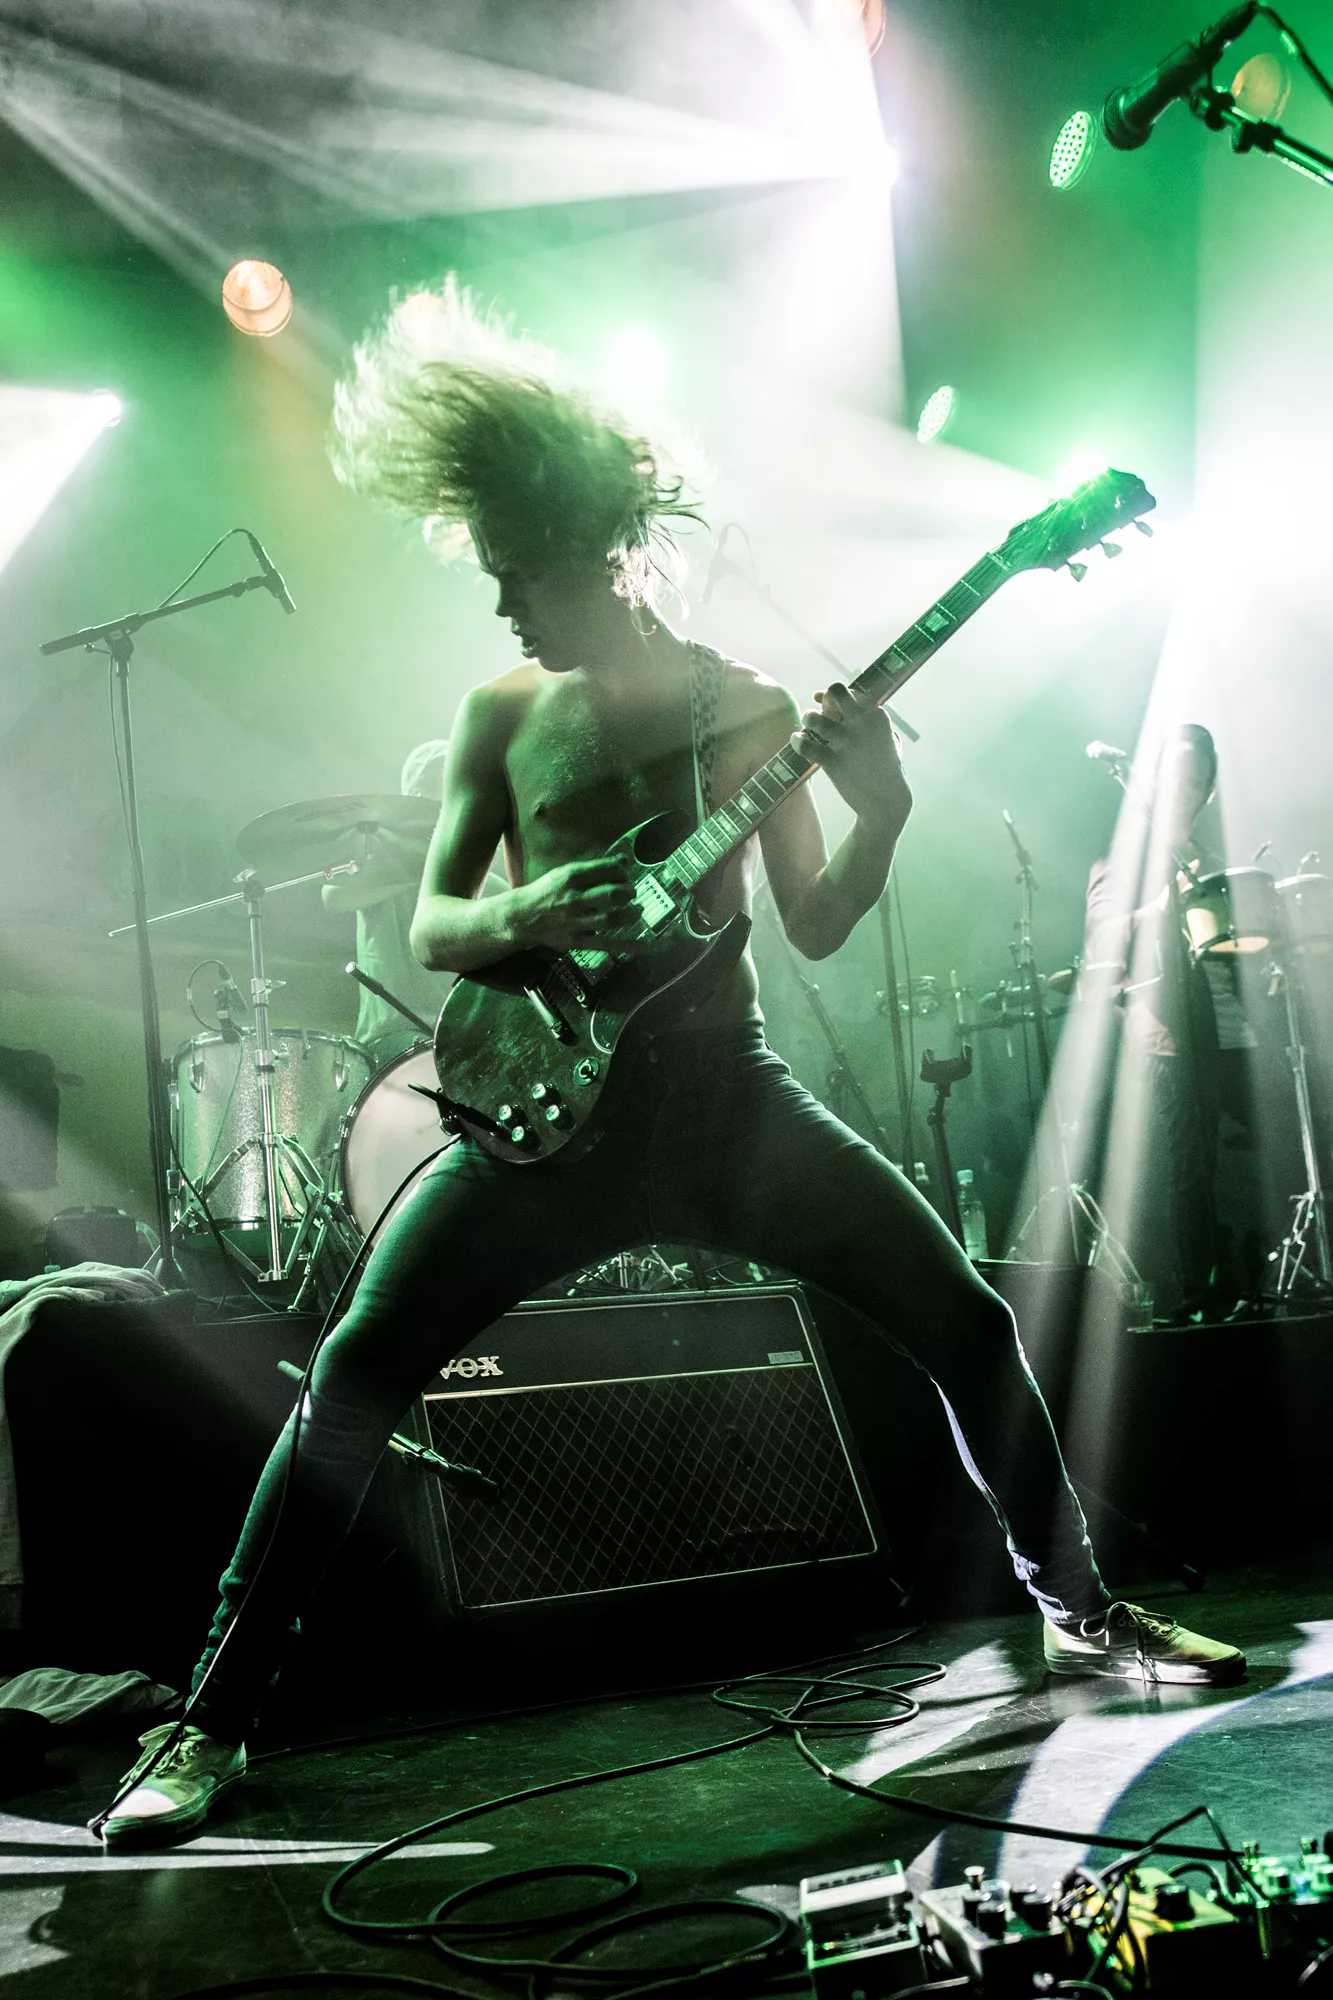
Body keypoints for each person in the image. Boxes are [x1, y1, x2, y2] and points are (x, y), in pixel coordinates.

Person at [97, 281, 1242, 1850]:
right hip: (540, 1129)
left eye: (520, 567)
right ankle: (208, 1724)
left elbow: (817, 924)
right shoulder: (500, 713)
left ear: (592, 547)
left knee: (966, 1322)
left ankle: (1080, 1615)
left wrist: (885, 810)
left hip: (730, 1106)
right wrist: (527, 909)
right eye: (491, 566)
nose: (503, 598)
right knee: (355, 1375)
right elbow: (434, 925)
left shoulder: (745, 707)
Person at [1084, 725, 1256, 1317]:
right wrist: (1159, 907)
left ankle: (1256, 1268)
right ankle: (1197, 1296)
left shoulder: (1209, 864)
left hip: (1233, 1031)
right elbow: (1103, 939)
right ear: (1153, 779)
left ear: (1209, 790)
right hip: (1170, 1037)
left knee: (1287, 1136)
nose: (1185, 788)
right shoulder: (1124, 862)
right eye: (1176, 775)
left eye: (1196, 779)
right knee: (1192, 1167)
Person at [321, 740, 454, 1066]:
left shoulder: (475, 870)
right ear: (418, 796)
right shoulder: (381, 853)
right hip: (395, 1037)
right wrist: (427, 866)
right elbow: (334, 895)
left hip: (460, 1033)